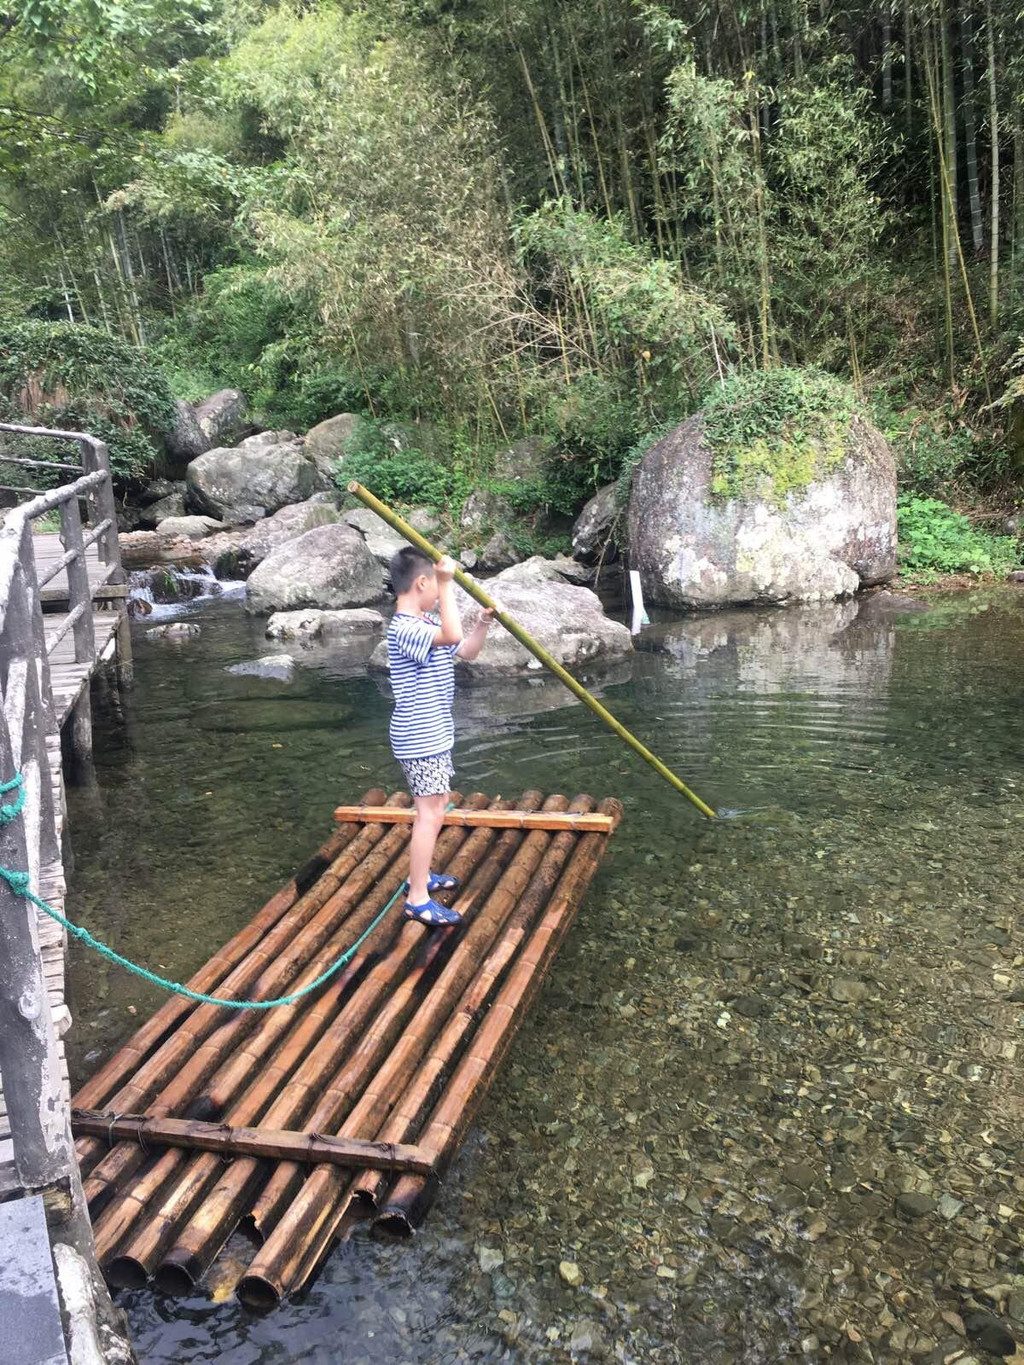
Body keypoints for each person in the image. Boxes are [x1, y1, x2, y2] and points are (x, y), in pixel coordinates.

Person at [386, 547, 493, 926]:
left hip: (434, 734)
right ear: (422, 583)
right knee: (429, 814)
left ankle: (422, 875)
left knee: (437, 804)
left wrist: (481, 624)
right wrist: (448, 583)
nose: (438, 591)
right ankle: (417, 897)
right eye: (434, 584)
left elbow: (465, 650)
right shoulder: (405, 628)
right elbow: (451, 633)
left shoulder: (425, 624)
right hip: (420, 737)